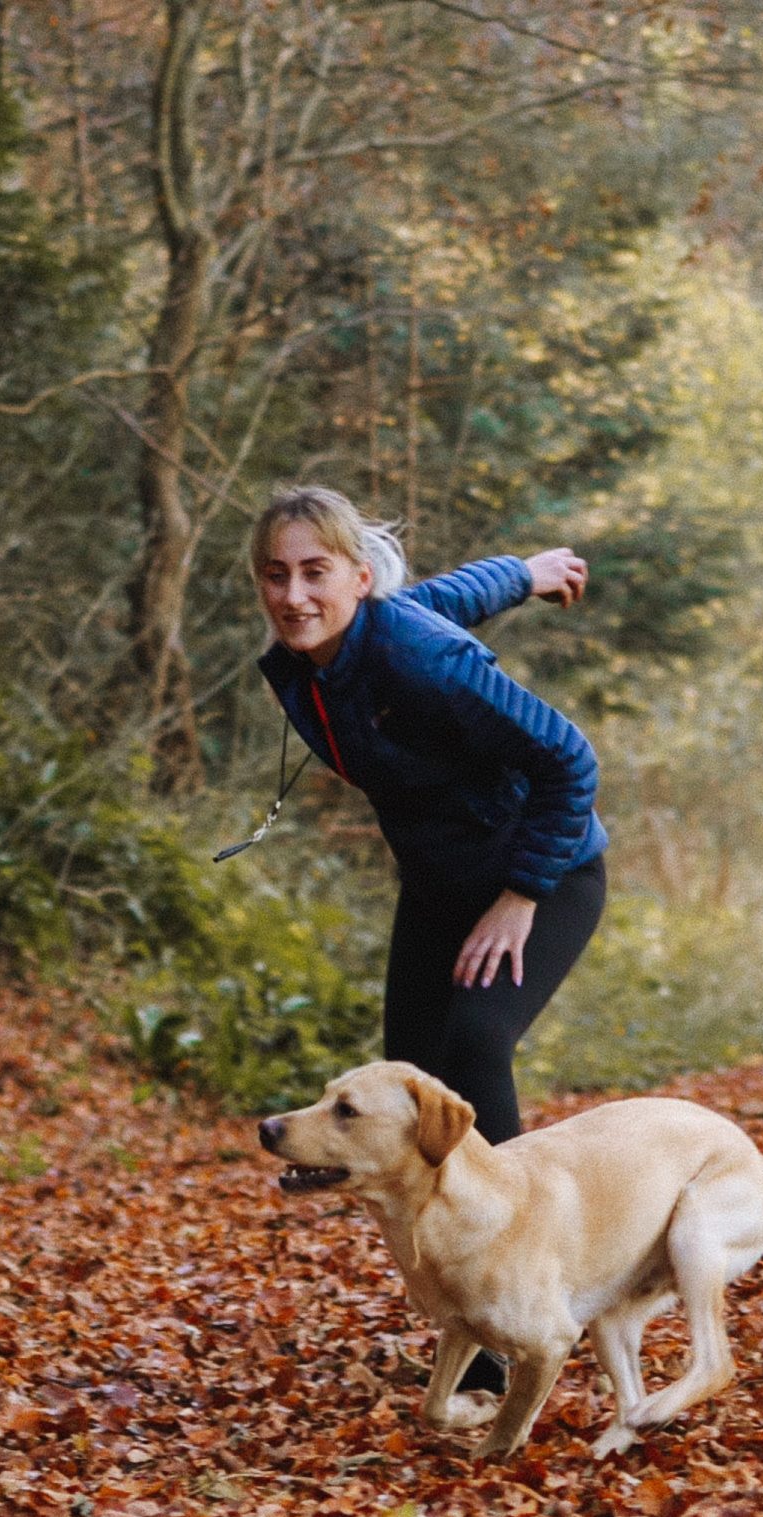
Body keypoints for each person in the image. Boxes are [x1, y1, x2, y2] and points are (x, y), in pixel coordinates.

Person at [247, 484, 607, 1387]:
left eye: (315, 573)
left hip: (544, 874)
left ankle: (522, 1312)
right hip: (442, 888)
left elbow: (569, 757)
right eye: (276, 575)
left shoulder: (418, 662)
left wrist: (523, 892)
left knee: (474, 1050)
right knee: (404, 1081)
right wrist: (524, 573)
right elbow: (446, 596)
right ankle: (461, 1308)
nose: (294, 596)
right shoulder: (316, 657)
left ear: (357, 579)